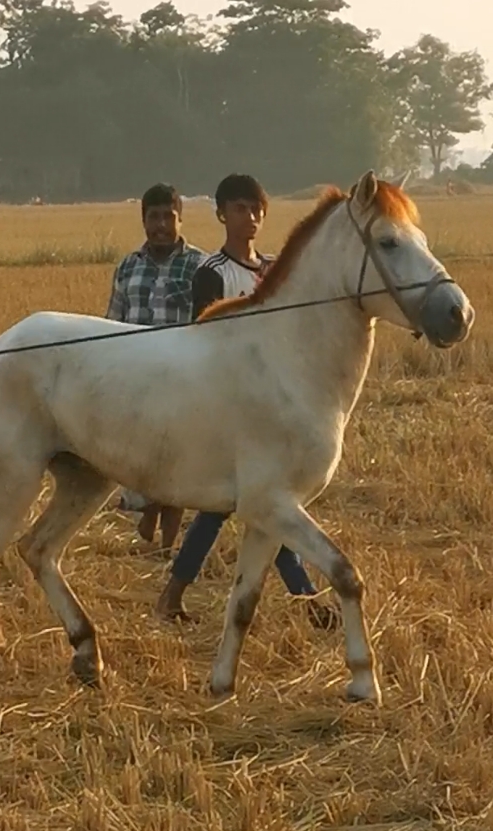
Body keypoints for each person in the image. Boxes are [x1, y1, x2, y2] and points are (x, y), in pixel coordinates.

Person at [155, 173, 337, 631]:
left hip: (272, 407)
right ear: (222, 215)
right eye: (240, 209)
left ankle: (174, 594)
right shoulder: (212, 273)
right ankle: (308, 599)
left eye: (256, 209)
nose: (250, 217)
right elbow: (208, 340)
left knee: (248, 506)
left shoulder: (276, 268)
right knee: (249, 505)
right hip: (226, 404)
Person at [106, 182, 205, 552]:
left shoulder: (199, 266)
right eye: (154, 217)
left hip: (182, 378)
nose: (161, 225)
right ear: (143, 220)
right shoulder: (128, 267)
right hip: (134, 379)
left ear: (180, 219)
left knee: (176, 458)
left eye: (168, 217)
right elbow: (112, 322)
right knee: (142, 458)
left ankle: (167, 544)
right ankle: (147, 527)